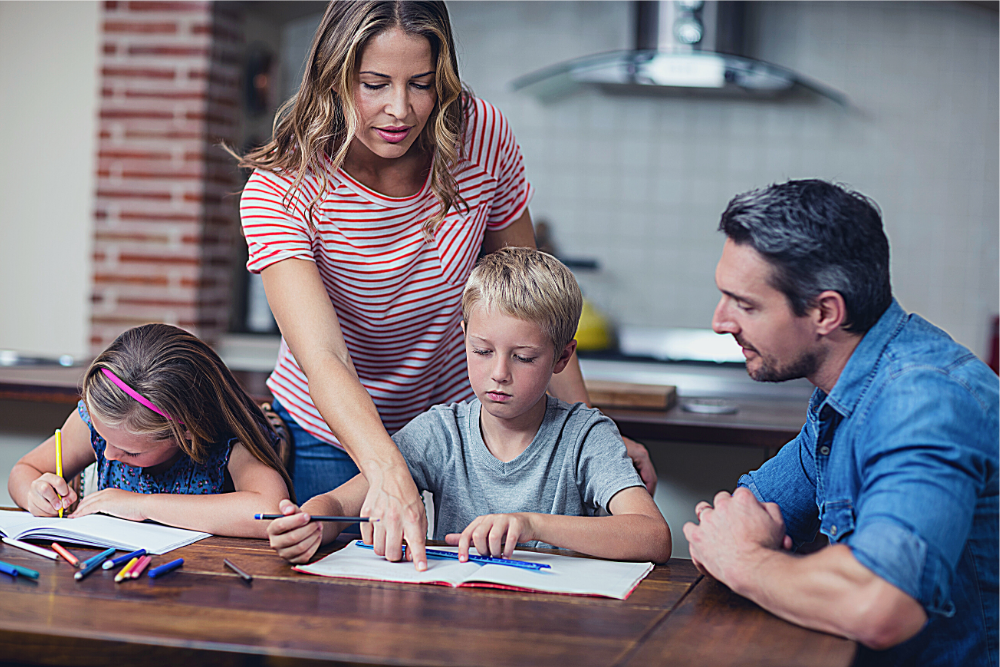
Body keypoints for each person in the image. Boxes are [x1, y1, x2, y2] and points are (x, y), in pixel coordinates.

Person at [234, 0, 655, 570]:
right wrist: (387, 470)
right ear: (333, 78)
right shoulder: (284, 187)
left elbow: (534, 305)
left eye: (422, 84)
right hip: (330, 438)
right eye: (374, 84)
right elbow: (325, 356)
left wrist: (586, 434)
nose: (399, 109)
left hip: (463, 437)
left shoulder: (481, 137)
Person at [684, 180, 998, 666]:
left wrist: (746, 561)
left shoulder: (923, 402)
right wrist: (737, 550)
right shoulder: (843, 393)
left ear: (826, 312)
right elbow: (732, 521)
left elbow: (880, 604)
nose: (720, 321)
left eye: (744, 304)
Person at [265, 248, 671, 565]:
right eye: (481, 350)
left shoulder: (586, 436)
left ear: (562, 358)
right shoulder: (440, 432)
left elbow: (653, 537)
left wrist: (531, 525)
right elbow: (341, 502)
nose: (499, 373)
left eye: (524, 357)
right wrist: (312, 520)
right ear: (463, 336)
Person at [8, 323, 294, 539]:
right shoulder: (98, 423)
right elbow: (25, 469)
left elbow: (269, 511)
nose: (107, 453)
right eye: (102, 438)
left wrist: (143, 505)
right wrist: (34, 493)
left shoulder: (231, 440)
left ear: (187, 432)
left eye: (132, 451)